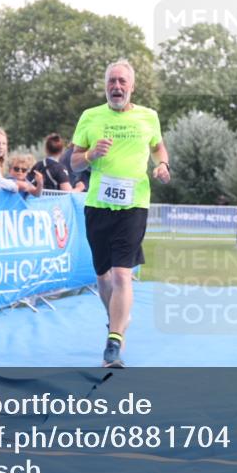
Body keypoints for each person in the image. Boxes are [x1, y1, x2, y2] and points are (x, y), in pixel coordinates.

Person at [71, 59, 171, 368]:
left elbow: (158, 148)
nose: (116, 86)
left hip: (134, 205)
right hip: (98, 206)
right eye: (111, 81)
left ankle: (114, 342)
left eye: (122, 82)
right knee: (103, 277)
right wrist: (89, 154)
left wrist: (163, 165)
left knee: (121, 274)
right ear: (105, 86)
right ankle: (115, 319)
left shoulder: (148, 117)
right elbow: (73, 162)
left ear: (132, 86)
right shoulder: (90, 117)